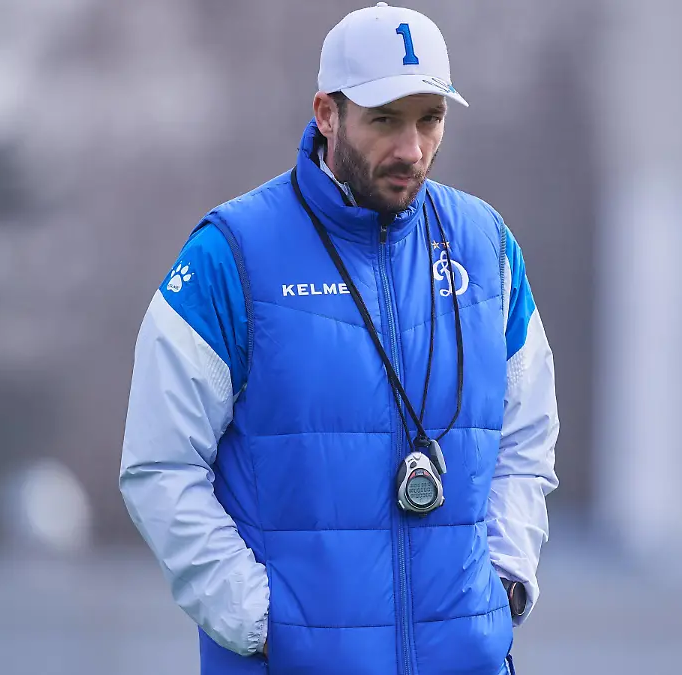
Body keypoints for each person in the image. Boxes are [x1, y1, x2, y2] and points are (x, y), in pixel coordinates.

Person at [118, 3, 559, 674]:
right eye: (385, 119)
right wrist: (264, 620)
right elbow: (159, 466)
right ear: (327, 113)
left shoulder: (487, 246)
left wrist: (502, 582)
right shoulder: (230, 254)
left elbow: (527, 442)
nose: (411, 149)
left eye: (430, 119)